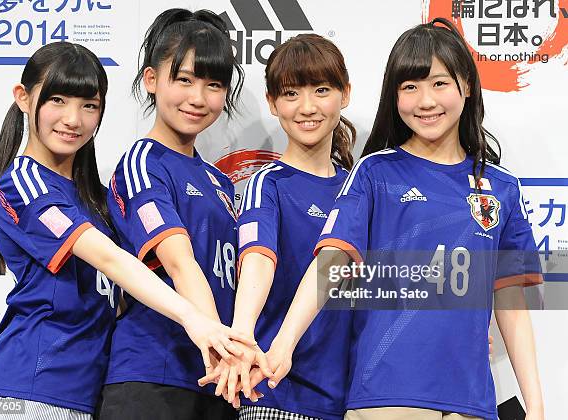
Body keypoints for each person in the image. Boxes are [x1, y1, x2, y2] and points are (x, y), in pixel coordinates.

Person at [251, 18, 544, 420]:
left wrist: (537, 406)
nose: (425, 101)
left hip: (472, 402)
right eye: (410, 87)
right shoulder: (374, 173)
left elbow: (511, 303)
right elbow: (331, 264)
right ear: (394, 96)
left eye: (439, 83)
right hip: (386, 395)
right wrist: (283, 345)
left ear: (468, 85)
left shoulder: (502, 188)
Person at [0, 42, 252, 420]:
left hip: (85, 394)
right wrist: (196, 320)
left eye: (89, 105)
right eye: (57, 100)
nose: (73, 119)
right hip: (26, 393)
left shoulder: (96, 199)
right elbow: (110, 259)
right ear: (23, 97)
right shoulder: (24, 183)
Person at [97, 9, 259, 420]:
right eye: (184, 79)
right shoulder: (142, 163)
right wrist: (224, 347)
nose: (198, 98)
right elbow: (180, 264)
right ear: (152, 80)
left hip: (218, 379)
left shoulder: (218, 180)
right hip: (153, 377)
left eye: (213, 84)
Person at [202, 34, 355, 420]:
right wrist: (242, 335)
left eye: (321, 90)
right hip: (277, 392)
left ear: (345, 94)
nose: (307, 108)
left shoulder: (360, 187)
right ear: (272, 103)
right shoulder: (266, 184)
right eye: (290, 94)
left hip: (354, 400)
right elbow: (257, 258)